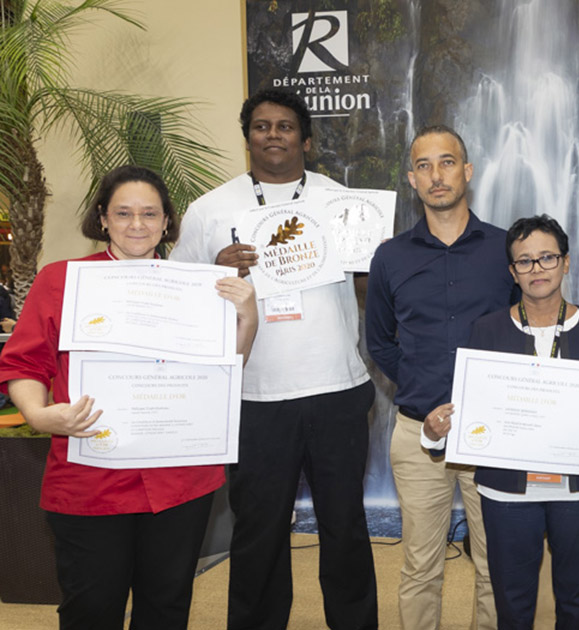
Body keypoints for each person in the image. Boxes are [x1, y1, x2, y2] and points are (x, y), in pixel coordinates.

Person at [0, 165, 257, 629]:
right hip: (89, 481)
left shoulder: (199, 286)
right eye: (123, 213)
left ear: (166, 222)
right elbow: (23, 362)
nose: (136, 224)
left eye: (149, 214)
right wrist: (39, 414)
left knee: (166, 607)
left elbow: (221, 377)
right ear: (102, 219)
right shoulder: (62, 281)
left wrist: (247, 317)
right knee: (91, 609)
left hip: (180, 480)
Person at [170, 89, 377, 630]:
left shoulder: (341, 202)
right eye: (261, 126)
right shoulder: (210, 209)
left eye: (285, 126)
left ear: (305, 140)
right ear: (247, 139)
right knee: (258, 531)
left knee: (345, 526)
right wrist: (214, 269)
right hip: (253, 396)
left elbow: (376, 282)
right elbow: (177, 292)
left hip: (337, 389)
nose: (273, 135)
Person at [420, 214, 579, 629]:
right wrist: (434, 435)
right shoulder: (486, 331)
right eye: (525, 261)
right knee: (512, 605)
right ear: (512, 272)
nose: (537, 269)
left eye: (547, 258)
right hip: (508, 492)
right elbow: (467, 412)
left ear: (566, 263)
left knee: (575, 601)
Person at [366, 124, 514, 630]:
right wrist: (423, 395)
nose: (437, 175)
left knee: (496, 567)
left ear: (467, 171)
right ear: (412, 178)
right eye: (424, 166)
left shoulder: (505, 250)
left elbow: (527, 331)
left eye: (447, 162)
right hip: (416, 433)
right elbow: (381, 340)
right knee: (419, 566)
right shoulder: (391, 257)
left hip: (492, 434)